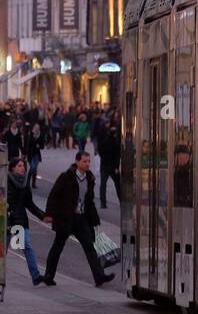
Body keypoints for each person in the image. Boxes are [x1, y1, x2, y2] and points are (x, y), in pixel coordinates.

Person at [43, 151, 114, 288]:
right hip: (66, 218)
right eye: (84, 161)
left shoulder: (89, 179)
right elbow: (54, 195)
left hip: (81, 218)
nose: (87, 164)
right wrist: (49, 214)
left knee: (89, 246)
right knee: (57, 247)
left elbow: (90, 202)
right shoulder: (66, 177)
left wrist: (95, 220)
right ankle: (48, 276)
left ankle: (99, 276)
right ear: (77, 162)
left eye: (89, 161)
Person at [7, 156, 48, 285]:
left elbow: (29, 204)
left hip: (19, 221)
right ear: (12, 168)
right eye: (19, 166)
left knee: (27, 247)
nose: (22, 168)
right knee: (1, 251)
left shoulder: (25, 183)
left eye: (23, 166)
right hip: (7, 221)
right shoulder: (5, 180)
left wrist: (42, 216)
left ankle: (35, 276)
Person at [98, 122, 122, 209]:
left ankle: (103, 203)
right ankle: (121, 201)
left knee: (103, 185)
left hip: (104, 166)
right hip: (113, 167)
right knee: (118, 185)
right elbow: (117, 156)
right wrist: (116, 167)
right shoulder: (116, 144)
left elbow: (100, 152)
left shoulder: (104, 142)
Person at [24, 122, 43, 189]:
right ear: (33, 128)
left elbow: (42, 145)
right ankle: (28, 182)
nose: (36, 129)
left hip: (37, 154)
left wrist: (39, 146)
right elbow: (28, 144)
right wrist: (26, 153)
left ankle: (33, 183)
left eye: (38, 128)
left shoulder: (40, 135)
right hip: (31, 154)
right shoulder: (30, 135)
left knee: (35, 169)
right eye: (35, 128)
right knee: (32, 167)